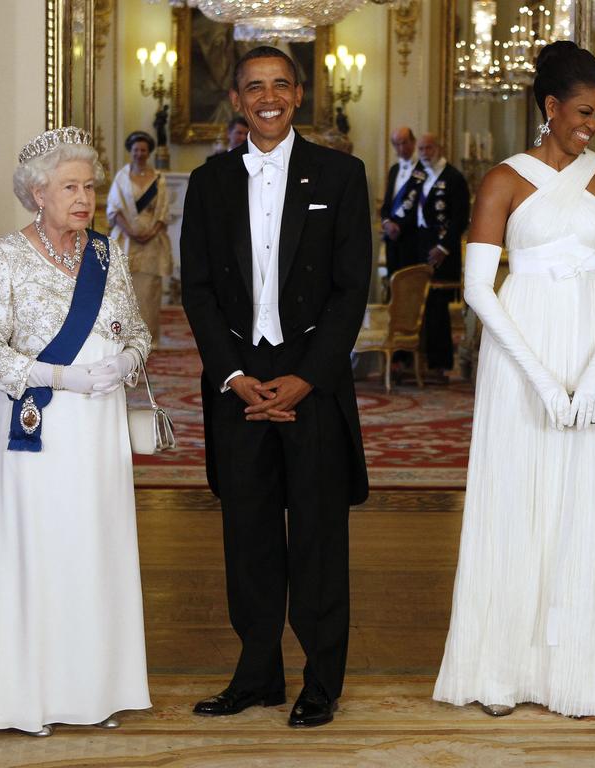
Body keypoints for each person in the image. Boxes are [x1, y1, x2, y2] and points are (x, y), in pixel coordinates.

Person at [433, 41, 595, 718]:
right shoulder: (502, 180)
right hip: (519, 354)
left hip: (593, 347)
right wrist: (548, 385)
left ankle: (576, 674)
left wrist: (592, 376)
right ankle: (501, 668)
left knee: (584, 502)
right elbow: (477, 289)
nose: (592, 125)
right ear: (549, 108)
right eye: (582, 112)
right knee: (514, 497)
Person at [180, 46, 372, 729]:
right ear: (236, 99)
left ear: (299, 95)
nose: (268, 97)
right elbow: (196, 289)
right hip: (237, 385)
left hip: (311, 386)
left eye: (280, 85)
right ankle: (257, 673)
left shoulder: (342, 176)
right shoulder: (208, 183)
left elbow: (354, 288)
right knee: (249, 537)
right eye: (254, 87)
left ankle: (321, 681)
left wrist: (308, 377)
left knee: (318, 538)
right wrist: (232, 376)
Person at [0, 127, 152, 736]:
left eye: (90, 186)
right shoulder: (5, 257)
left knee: (95, 551)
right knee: (42, 553)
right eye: (70, 186)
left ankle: (94, 692)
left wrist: (128, 362)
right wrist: (56, 376)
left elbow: (140, 335)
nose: (85, 197)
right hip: (39, 428)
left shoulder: (106, 254)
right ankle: (29, 698)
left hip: (100, 431)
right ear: (37, 193)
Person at [107, 130, 172, 344]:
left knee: (149, 293)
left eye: (143, 150)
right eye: (136, 150)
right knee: (125, 290)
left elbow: (163, 212)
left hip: (152, 243)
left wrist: (149, 234)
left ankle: (149, 339)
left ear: (149, 152)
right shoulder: (121, 178)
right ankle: (125, 338)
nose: (140, 153)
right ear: (130, 151)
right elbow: (114, 209)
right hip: (126, 240)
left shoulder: (158, 179)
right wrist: (131, 232)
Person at [414, 132, 470, 382]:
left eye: (429, 148)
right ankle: (418, 362)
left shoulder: (453, 177)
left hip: (443, 252)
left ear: (439, 148)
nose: (425, 153)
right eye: (422, 149)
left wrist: (444, 248)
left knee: (437, 309)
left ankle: (441, 364)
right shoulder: (419, 176)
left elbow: (460, 218)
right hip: (420, 247)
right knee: (419, 309)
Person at [380, 126, 425, 276]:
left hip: (412, 239)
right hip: (392, 241)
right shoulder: (393, 170)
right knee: (393, 282)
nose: (401, 148)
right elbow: (387, 203)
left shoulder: (424, 170)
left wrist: (399, 227)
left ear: (413, 142)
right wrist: (386, 223)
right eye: (397, 144)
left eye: (404, 143)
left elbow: (422, 206)